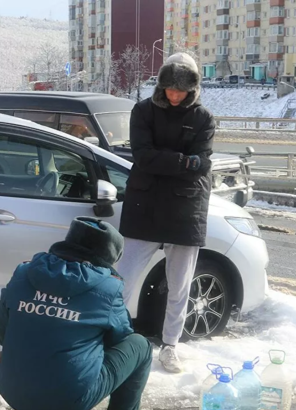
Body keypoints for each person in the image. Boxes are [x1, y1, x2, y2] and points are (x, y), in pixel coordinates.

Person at [0, 217, 152, 410]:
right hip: (70, 401)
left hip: (12, 390)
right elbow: (121, 339)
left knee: (34, 340)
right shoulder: (107, 289)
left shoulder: (24, 272)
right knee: (140, 347)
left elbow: (4, 326)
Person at [115, 53, 215, 374]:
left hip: (186, 209)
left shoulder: (204, 118)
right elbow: (143, 156)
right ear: (161, 85)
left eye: (181, 90)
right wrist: (184, 162)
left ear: (191, 89)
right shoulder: (143, 110)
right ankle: (111, 334)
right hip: (145, 204)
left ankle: (170, 345)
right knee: (123, 277)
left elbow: (204, 164)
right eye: (169, 88)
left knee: (180, 284)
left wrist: (172, 162)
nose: (174, 95)